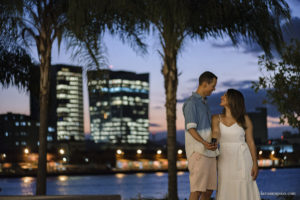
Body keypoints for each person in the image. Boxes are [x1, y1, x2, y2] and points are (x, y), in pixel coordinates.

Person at [212, 89, 261, 200]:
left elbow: (251, 142)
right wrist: (213, 142)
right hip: (225, 159)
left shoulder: (245, 119)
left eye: (225, 95)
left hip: (243, 159)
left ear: (233, 100)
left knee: (244, 186)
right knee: (225, 186)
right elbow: (215, 132)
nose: (221, 96)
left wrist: (255, 163)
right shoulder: (216, 118)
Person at [183, 71, 219, 200]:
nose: (214, 89)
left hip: (209, 152)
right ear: (205, 84)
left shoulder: (204, 103)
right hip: (198, 152)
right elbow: (191, 129)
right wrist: (205, 143)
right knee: (197, 190)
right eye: (213, 85)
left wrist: (212, 142)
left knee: (209, 190)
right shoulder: (191, 103)